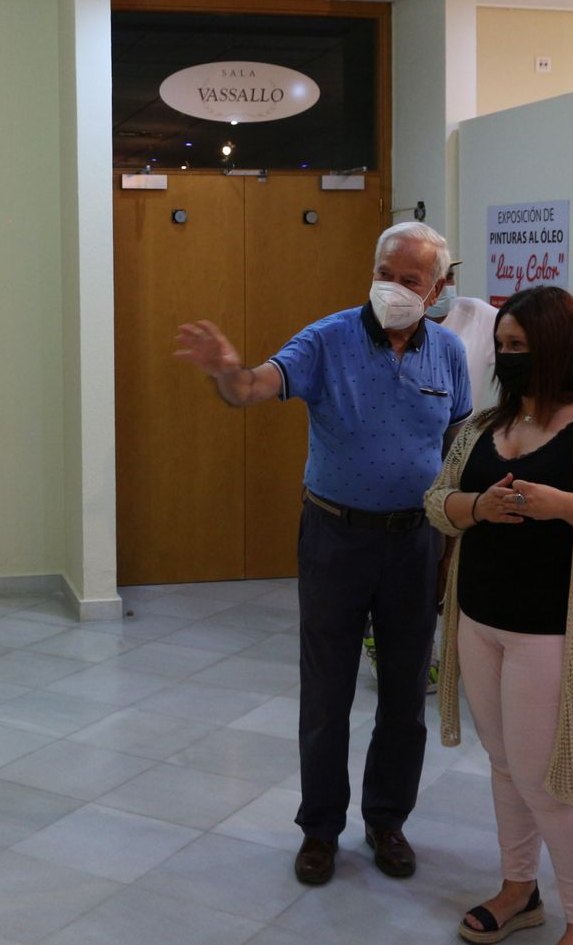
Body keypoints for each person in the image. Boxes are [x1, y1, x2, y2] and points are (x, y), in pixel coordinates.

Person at [175, 221, 471, 887]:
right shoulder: (328, 338)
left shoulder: (447, 353)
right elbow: (253, 387)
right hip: (336, 537)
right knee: (327, 689)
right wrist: (228, 371)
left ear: (440, 288)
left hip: (415, 540)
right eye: (385, 273)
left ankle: (387, 819)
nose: (393, 289)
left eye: (410, 281)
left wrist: (452, 545)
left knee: (403, 692)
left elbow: (459, 449)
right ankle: (320, 829)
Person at [426, 285, 573, 945]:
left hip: (554, 631)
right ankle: (519, 889)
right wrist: (478, 508)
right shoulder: (483, 427)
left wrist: (561, 504)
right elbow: (439, 499)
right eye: (502, 347)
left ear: (558, 347)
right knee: (503, 763)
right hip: (480, 620)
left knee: (551, 780)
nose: (507, 358)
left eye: (520, 347)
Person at [427, 259, 499, 410]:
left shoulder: (478, 313)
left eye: (449, 276)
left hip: (464, 431)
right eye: (433, 278)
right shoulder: (397, 324)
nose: (444, 286)